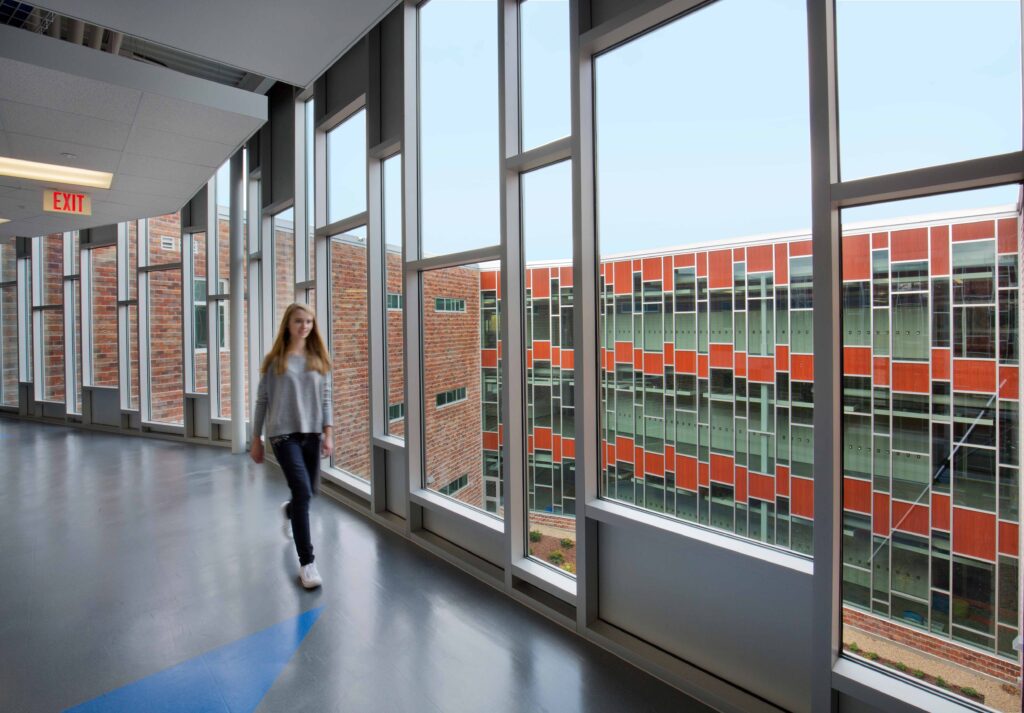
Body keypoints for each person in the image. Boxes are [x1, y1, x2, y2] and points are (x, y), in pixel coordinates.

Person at [250, 303, 333, 589]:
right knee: (302, 490)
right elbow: (262, 401)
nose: (305, 326)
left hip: (312, 435)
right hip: (283, 435)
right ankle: (307, 563)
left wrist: (328, 433)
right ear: (288, 324)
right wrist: (255, 439)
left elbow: (326, 398)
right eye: (299, 321)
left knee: (306, 496)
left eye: (309, 321)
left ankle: (289, 511)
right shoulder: (275, 361)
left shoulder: (319, 358)